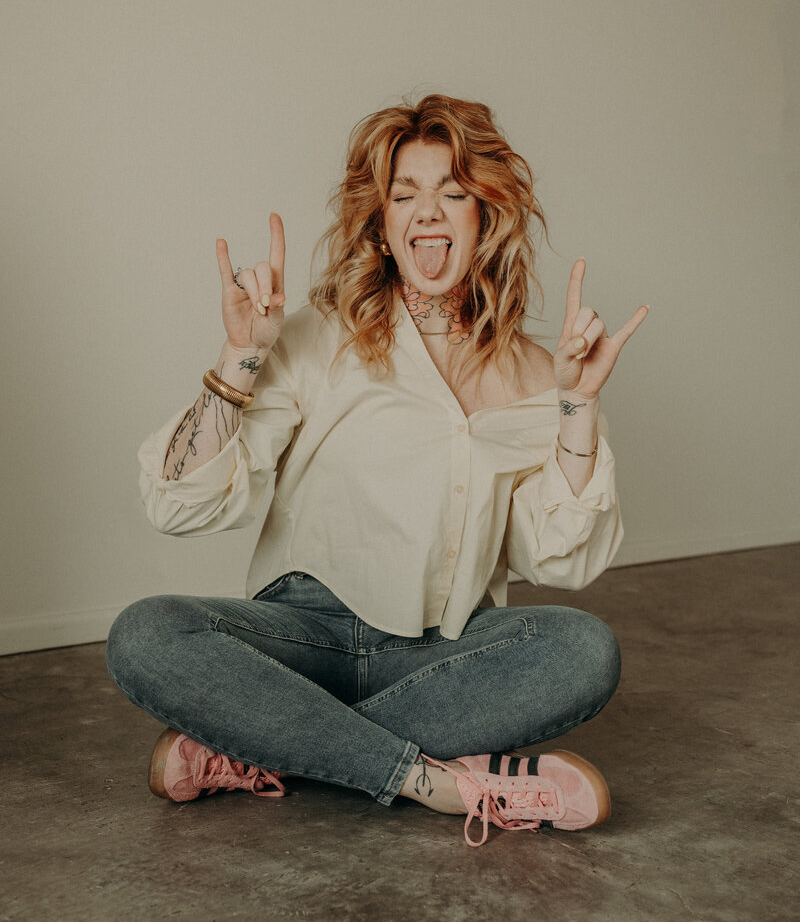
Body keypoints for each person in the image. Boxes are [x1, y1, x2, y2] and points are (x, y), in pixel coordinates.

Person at [105, 94, 648, 847]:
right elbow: (180, 505)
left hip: (442, 652)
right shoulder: (317, 334)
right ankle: (439, 781)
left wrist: (578, 407)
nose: (428, 211)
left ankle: (267, 740)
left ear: (485, 217)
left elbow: (560, 557)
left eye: (453, 193)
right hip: (303, 637)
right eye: (405, 195)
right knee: (146, 633)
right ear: (384, 229)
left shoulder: (538, 375)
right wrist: (240, 358)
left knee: (586, 649)